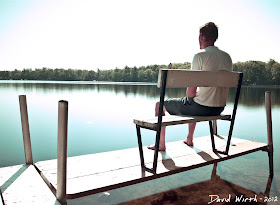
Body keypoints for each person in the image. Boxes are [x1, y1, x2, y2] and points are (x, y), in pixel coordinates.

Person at [148, 22, 232, 151]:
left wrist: (192, 96)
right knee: (195, 99)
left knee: (160, 105)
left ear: (202, 36)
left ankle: (160, 144)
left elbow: (190, 94)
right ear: (215, 37)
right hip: (219, 108)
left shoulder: (200, 57)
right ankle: (189, 139)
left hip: (201, 108)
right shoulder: (227, 57)